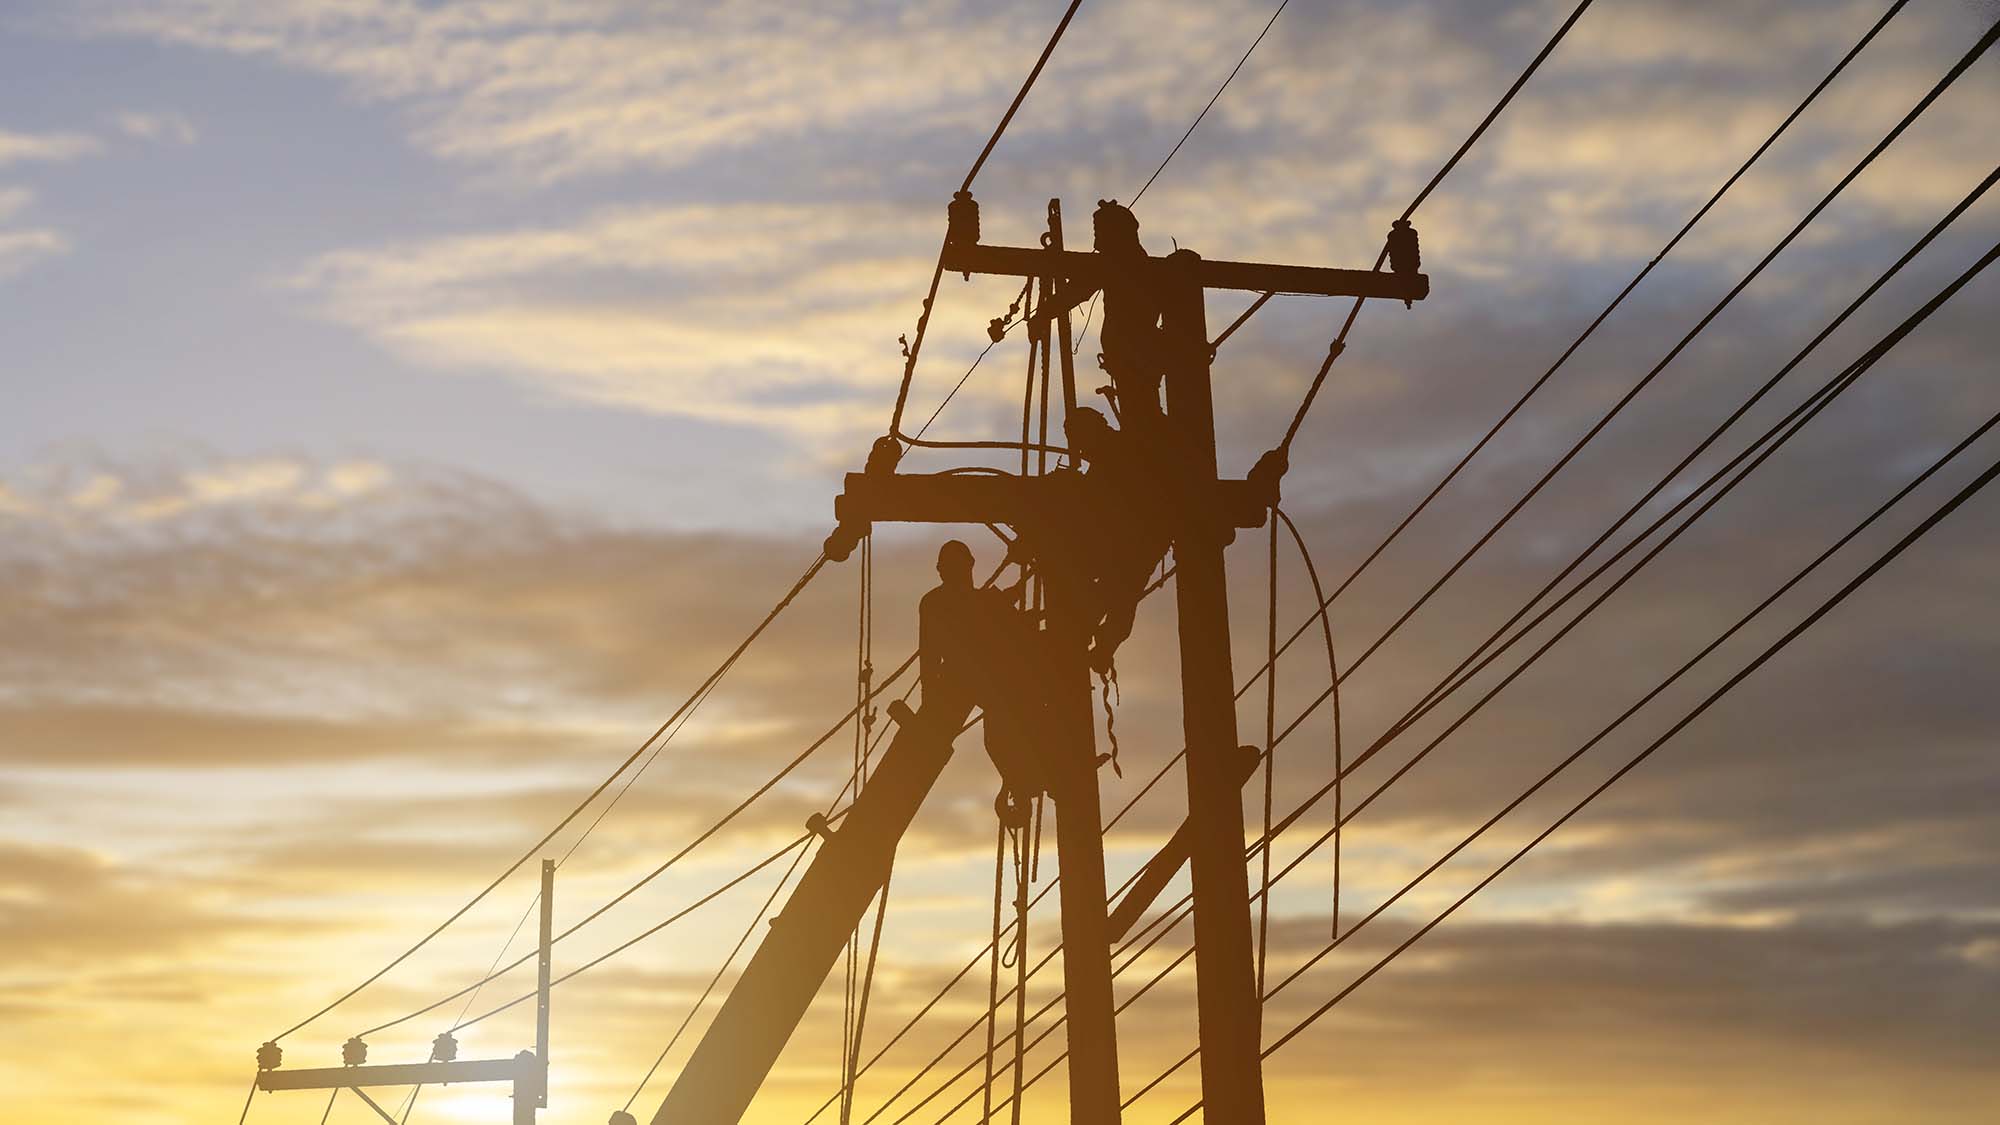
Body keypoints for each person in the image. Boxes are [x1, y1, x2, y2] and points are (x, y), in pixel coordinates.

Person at [918, 540, 1047, 804]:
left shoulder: (950, 601)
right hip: (973, 681)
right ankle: (1028, 777)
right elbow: (930, 652)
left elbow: (931, 652)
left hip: (981, 681)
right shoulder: (950, 602)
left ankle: (1028, 777)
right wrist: (929, 698)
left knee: (1001, 738)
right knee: (1001, 737)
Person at [1065, 408, 1173, 673]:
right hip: (1133, 550)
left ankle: (1087, 640)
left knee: (1114, 605)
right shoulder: (1119, 451)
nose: (1078, 450)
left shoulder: (1117, 456)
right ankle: (1093, 641)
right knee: (1117, 606)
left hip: (1129, 550)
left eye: (1078, 442)